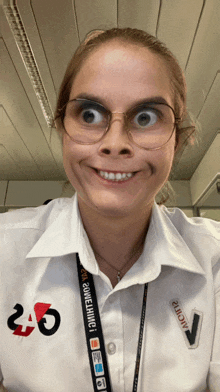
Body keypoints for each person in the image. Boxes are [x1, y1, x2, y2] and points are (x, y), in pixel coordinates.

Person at [0, 27, 219, 392]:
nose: (115, 144)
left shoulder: (214, 260)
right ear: (62, 126)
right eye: (89, 114)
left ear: (177, 139)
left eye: (146, 117)